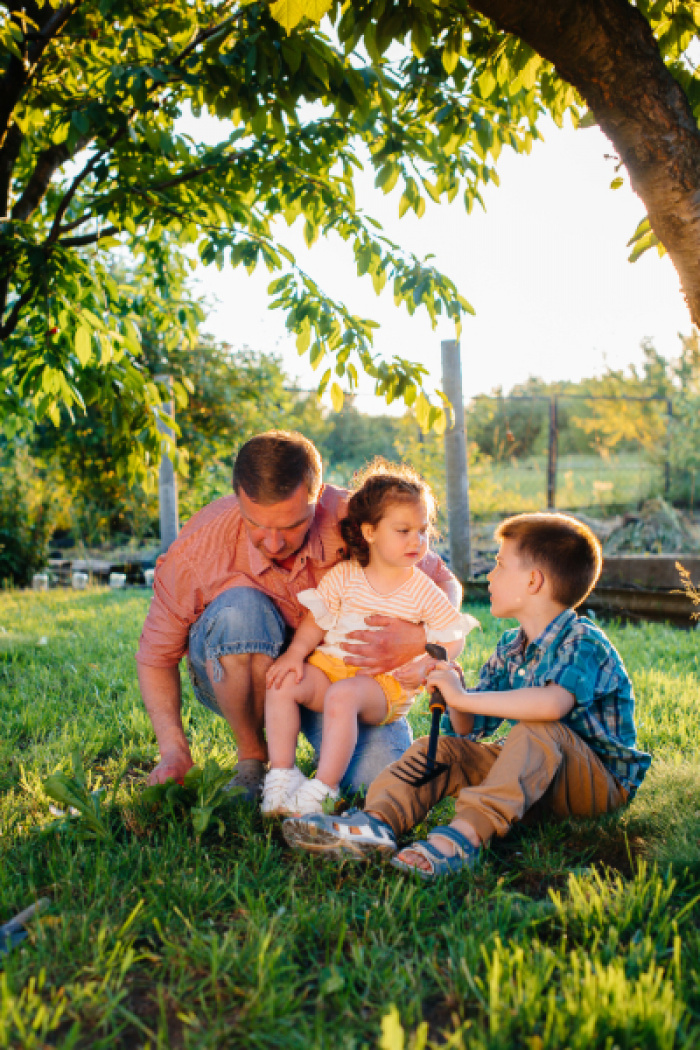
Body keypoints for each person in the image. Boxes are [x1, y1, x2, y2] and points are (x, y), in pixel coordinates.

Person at [282, 512, 652, 878]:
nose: (489, 576)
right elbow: (468, 726)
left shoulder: (582, 640)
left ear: (534, 581)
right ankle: (376, 822)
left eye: (499, 565)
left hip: (598, 786)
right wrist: (449, 683)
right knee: (441, 747)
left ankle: (462, 837)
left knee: (539, 728)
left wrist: (461, 698)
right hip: (535, 775)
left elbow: (551, 705)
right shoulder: (511, 647)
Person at [136, 430, 463, 799]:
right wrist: (174, 753)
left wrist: (419, 640)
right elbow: (154, 657)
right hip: (236, 674)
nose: (274, 543)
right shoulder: (200, 549)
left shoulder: (354, 516)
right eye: (257, 525)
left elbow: (444, 579)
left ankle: (316, 767)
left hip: (335, 681)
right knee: (239, 610)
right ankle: (253, 759)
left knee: (376, 783)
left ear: (318, 496)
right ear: (238, 497)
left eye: (291, 526)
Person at [262, 461, 479, 816]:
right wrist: (294, 655)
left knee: (343, 696)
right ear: (370, 532)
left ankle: (323, 788)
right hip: (330, 668)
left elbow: (453, 634)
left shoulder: (422, 591)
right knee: (283, 683)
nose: (417, 540)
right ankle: (282, 775)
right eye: (404, 530)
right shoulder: (345, 576)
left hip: (382, 687)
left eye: (423, 530)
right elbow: (316, 621)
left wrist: (429, 660)